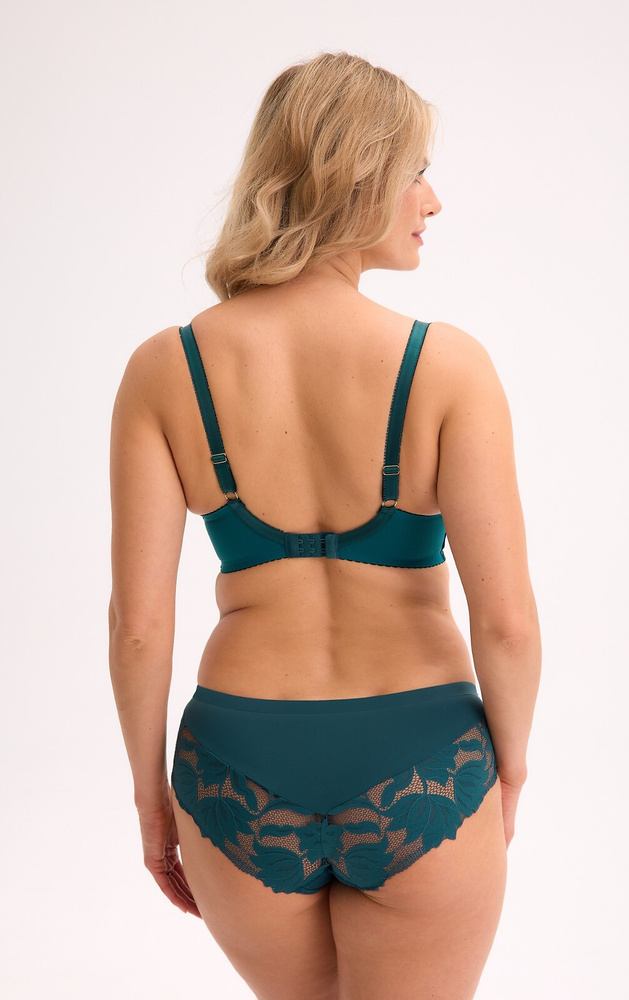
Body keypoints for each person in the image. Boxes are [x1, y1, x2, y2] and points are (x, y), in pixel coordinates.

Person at [109, 50, 541, 1000]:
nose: (431, 201)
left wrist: (152, 801)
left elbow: (138, 625)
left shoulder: (164, 369)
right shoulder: (446, 367)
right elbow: (506, 621)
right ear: (357, 176)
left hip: (234, 769)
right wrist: (507, 771)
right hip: (422, 757)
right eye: (415, 172)